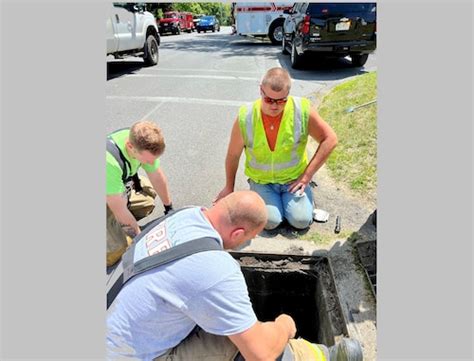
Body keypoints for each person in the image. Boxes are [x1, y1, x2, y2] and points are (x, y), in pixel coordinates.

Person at [107, 190, 362, 361]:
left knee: (235, 326)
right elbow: (260, 354)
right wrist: (284, 326)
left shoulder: (185, 215)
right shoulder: (215, 269)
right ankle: (322, 356)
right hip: (133, 356)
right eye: (248, 239)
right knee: (239, 342)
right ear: (239, 233)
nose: (245, 244)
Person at [214, 67, 337, 231]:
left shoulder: (302, 110)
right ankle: (267, 199)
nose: (274, 106)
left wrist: (306, 176)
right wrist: (229, 186)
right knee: (270, 222)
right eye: (269, 100)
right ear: (261, 91)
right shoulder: (246, 116)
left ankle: (304, 199)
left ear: (288, 94)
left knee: (300, 221)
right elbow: (233, 155)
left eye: (281, 101)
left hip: (292, 180)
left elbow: (330, 139)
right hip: (263, 181)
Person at [106, 120, 173, 267]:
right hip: (109, 193)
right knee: (116, 253)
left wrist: (169, 209)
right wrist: (142, 242)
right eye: (147, 160)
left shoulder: (139, 141)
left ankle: (116, 225)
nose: (151, 163)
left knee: (147, 201)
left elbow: (157, 177)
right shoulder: (108, 163)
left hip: (114, 190)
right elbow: (120, 209)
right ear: (130, 147)